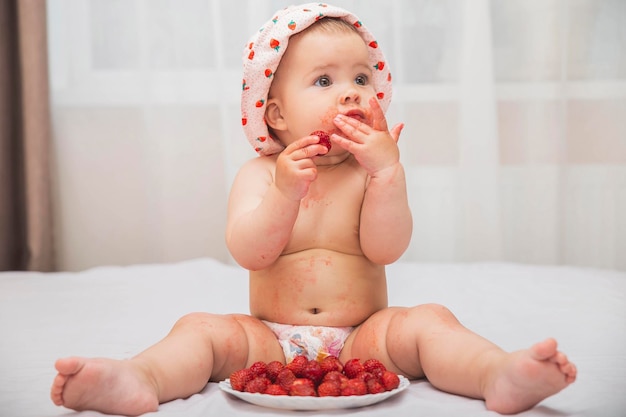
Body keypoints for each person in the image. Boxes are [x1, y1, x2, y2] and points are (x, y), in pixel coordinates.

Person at [50, 3, 576, 415]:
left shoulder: (368, 172)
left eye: (362, 79)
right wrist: (283, 194)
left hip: (365, 337)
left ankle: (495, 374)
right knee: (200, 330)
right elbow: (250, 254)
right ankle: (139, 379)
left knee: (429, 322)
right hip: (270, 343)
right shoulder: (259, 175)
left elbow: (386, 247)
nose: (350, 94)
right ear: (275, 114)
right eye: (325, 81)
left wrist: (388, 174)